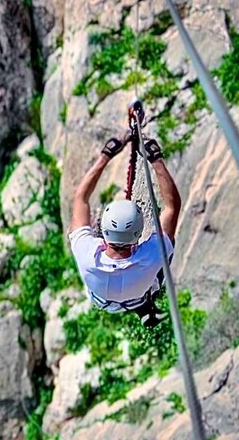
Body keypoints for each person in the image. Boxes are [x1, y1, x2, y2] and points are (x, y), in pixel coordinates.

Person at [68, 132, 182, 327]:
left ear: (104, 233)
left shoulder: (86, 253)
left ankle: (145, 311)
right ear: (138, 236)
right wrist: (155, 159)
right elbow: (172, 206)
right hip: (138, 296)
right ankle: (145, 309)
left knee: (77, 229)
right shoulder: (153, 254)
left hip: (103, 301)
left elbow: (81, 198)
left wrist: (106, 155)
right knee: (167, 247)